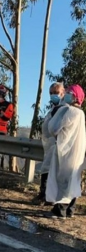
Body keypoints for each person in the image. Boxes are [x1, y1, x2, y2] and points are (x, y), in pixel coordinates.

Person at [45, 84, 86, 219]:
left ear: (75, 97)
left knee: (63, 180)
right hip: (77, 152)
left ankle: (60, 210)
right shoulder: (81, 113)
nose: (66, 95)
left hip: (66, 150)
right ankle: (70, 210)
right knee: (73, 180)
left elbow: (53, 128)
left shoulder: (69, 111)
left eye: (69, 93)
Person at [33, 82, 65, 205]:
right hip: (50, 144)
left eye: (56, 93)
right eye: (51, 93)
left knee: (49, 171)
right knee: (47, 170)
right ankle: (47, 197)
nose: (53, 95)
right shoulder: (53, 108)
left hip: (57, 144)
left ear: (63, 93)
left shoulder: (64, 109)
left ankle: (45, 197)